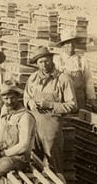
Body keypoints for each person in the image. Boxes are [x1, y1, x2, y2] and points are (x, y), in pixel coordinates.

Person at [24, 46, 78, 174]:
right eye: (40, 62)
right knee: (34, 159)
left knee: (54, 160)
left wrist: (50, 105)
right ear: (37, 64)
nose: (44, 64)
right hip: (34, 123)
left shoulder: (63, 79)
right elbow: (26, 97)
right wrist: (31, 103)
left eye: (46, 61)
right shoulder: (32, 79)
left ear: (52, 60)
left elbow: (73, 105)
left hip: (52, 125)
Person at [53, 32, 96, 111]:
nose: (71, 46)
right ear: (63, 45)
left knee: (80, 120)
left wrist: (92, 100)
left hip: (79, 96)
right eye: (68, 44)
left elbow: (89, 80)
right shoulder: (57, 60)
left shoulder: (82, 60)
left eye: (72, 43)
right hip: (64, 98)